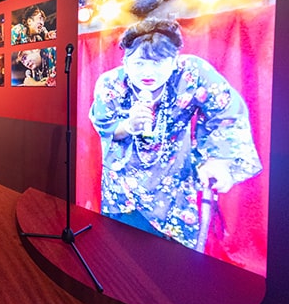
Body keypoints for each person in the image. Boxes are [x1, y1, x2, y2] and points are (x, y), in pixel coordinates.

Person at [89, 18, 262, 250]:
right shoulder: (111, 83)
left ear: (174, 61)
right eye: (139, 63)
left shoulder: (192, 72)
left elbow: (226, 112)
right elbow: (104, 125)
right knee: (122, 248)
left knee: (173, 256)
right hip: (123, 180)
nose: (148, 72)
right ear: (126, 62)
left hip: (173, 177)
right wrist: (129, 125)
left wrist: (218, 160)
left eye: (158, 62)